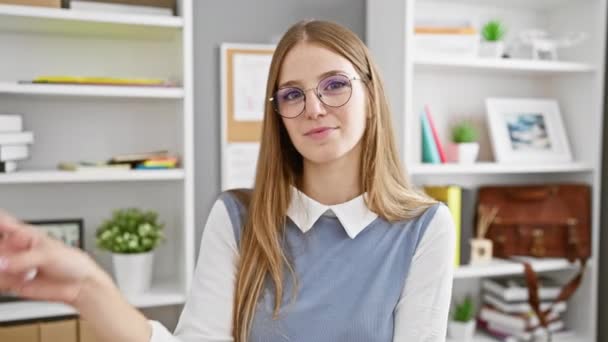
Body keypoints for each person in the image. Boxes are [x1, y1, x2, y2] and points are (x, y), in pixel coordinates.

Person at [0, 20, 455, 342]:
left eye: (335, 85)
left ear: (371, 95)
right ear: (278, 115)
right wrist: (88, 288)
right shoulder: (238, 218)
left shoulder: (425, 227)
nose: (314, 107)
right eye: (292, 94)